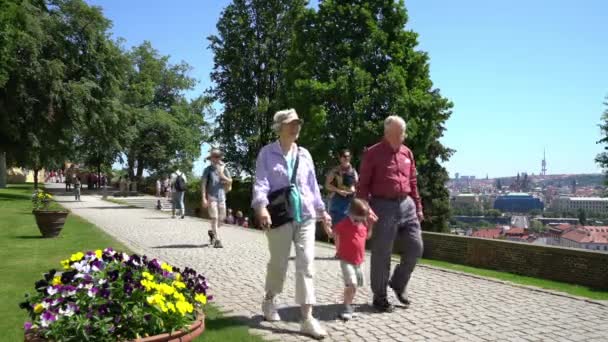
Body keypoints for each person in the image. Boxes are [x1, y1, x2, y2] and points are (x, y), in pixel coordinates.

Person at [252, 109, 332, 339]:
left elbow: (313, 186)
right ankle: (270, 298)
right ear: (280, 127)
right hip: (279, 215)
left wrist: (323, 212)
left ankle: (307, 318)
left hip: (305, 215)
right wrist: (261, 207)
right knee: (278, 264)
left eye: (298, 123)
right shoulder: (267, 153)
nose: (296, 127)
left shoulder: (305, 154)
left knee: (306, 264)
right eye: (291, 123)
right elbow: (260, 182)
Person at [357, 115, 424, 313]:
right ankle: (380, 297)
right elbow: (362, 187)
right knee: (382, 253)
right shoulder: (373, 153)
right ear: (390, 133)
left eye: (403, 132)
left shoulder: (407, 153)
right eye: (402, 132)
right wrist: (366, 210)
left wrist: (418, 207)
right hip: (382, 205)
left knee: (415, 247)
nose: (405, 135)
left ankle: (398, 283)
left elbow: (413, 183)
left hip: (407, 204)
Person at [333, 198, 374, 320]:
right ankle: (346, 306)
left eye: (361, 220)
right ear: (349, 213)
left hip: (359, 261)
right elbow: (334, 233)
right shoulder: (343, 224)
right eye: (356, 219)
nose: (358, 222)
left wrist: (370, 225)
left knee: (355, 285)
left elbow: (367, 237)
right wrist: (338, 249)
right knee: (352, 283)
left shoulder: (362, 225)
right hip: (346, 260)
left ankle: (349, 304)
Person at [201, 148, 232, 248]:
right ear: (211, 158)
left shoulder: (224, 169)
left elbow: (230, 182)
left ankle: (213, 232)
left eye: (219, 157)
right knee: (214, 217)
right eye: (215, 157)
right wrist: (203, 198)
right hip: (211, 196)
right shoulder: (208, 170)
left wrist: (222, 175)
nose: (218, 159)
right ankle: (217, 240)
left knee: (222, 219)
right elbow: (203, 184)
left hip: (222, 196)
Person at [325, 149, 359, 225]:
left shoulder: (353, 171)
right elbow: (327, 185)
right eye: (344, 156)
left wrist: (354, 191)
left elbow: (357, 185)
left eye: (348, 156)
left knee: (349, 225)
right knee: (337, 225)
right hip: (338, 201)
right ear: (340, 158)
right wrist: (338, 191)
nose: (347, 158)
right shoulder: (335, 171)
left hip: (350, 200)